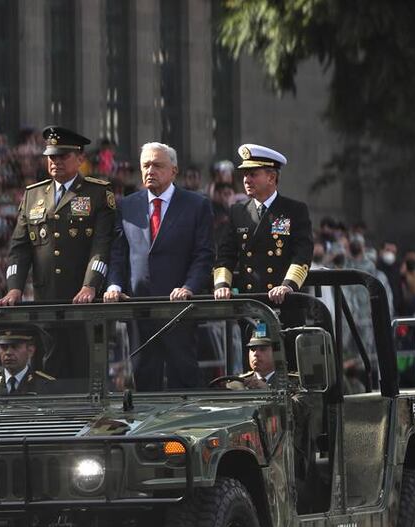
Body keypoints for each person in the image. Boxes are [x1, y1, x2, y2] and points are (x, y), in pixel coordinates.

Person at [105, 141, 213, 390]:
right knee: (144, 378)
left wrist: (189, 287)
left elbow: (204, 255)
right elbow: (119, 253)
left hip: (179, 309)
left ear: (173, 170)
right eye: (145, 165)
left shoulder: (196, 205)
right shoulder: (127, 205)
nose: (150, 171)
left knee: (183, 376)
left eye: (157, 165)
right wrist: (114, 284)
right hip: (139, 309)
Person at [0, 125, 116, 306]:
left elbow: (101, 245)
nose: (56, 162)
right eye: (52, 157)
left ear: (80, 159)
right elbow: (19, 249)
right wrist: (14, 289)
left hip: (85, 300)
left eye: (63, 156)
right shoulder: (33, 195)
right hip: (45, 299)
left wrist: (90, 285)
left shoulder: (97, 193)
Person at [213, 144, 313, 309]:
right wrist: (222, 285)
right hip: (251, 304)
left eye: (253, 174)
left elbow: (302, 254)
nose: (246, 180)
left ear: (271, 178)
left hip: (284, 303)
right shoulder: (237, 211)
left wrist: (288, 286)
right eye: (245, 174)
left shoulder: (294, 210)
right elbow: (225, 255)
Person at [0, 329, 56, 396]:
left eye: (15, 347)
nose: (8, 352)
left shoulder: (44, 384)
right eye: (4, 347)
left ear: (30, 351)